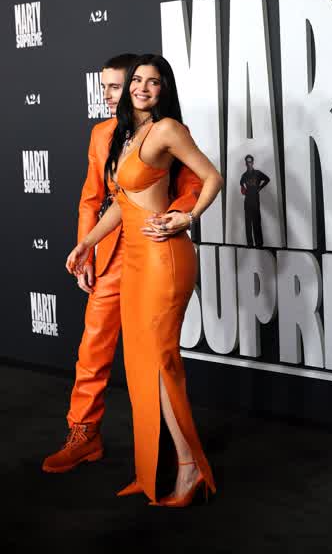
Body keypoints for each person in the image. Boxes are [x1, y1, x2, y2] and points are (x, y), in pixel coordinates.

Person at [66, 54, 223, 507]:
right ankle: (150, 472)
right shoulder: (124, 135)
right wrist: (87, 243)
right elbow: (122, 202)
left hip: (162, 259)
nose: (142, 88)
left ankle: (191, 470)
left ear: (164, 89)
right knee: (139, 366)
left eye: (154, 82)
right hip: (133, 259)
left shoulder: (168, 129)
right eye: (137, 79)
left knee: (160, 363)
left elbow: (212, 177)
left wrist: (187, 217)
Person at [240, 154, 270, 247]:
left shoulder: (257, 173)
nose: (248, 163)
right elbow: (241, 185)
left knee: (257, 222)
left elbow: (267, 179)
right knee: (248, 223)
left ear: (252, 162)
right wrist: (244, 190)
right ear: (245, 163)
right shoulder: (244, 175)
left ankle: (259, 244)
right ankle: (250, 244)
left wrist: (260, 188)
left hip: (255, 201)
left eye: (250, 161)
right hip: (247, 201)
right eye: (247, 162)